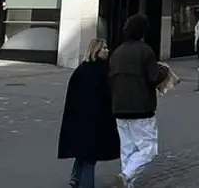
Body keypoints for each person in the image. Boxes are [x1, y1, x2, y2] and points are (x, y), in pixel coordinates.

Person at [110, 14, 169, 188]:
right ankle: (126, 175)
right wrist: (164, 71)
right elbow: (154, 77)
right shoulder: (145, 51)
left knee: (127, 149)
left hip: (119, 106)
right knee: (149, 148)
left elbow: (110, 79)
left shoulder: (117, 52)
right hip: (141, 106)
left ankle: (126, 182)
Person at [58, 39, 120, 188]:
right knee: (90, 156)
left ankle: (75, 177)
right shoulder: (101, 72)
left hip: (81, 119)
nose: (107, 50)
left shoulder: (82, 69)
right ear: (96, 51)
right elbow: (107, 95)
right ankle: (85, 183)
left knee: (84, 151)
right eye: (104, 48)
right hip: (95, 119)